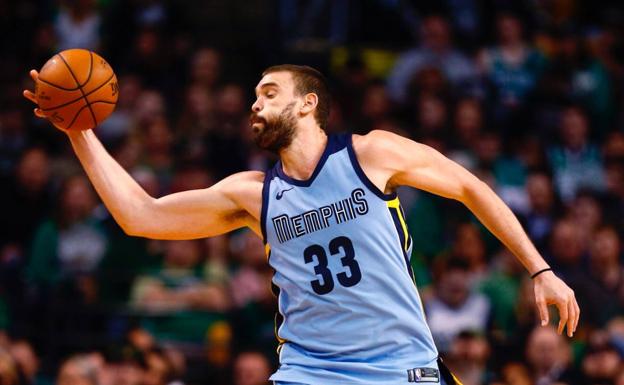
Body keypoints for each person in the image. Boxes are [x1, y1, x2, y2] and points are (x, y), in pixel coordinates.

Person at [23, 64, 579, 385]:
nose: (254, 105)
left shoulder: (372, 153)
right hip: (310, 372)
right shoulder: (253, 194)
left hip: (399, 367)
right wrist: (77, 130)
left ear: (309, 103)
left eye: (268, 93)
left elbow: (471, 187)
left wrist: (540, 267)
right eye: (253, 97)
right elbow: (140, 216)